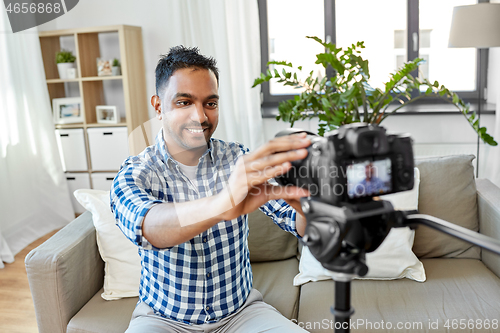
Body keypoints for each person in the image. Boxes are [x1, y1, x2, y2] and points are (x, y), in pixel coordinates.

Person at [110, 45, 311, 332]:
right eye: (184, 102)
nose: (201, 117)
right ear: (158, 107)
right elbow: (150, 227)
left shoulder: (238, 158)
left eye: (210, 103)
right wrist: (224, 202)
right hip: (161, 320)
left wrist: (309, 202)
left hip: (242, 313)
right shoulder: (135, 172)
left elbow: (299, 225)